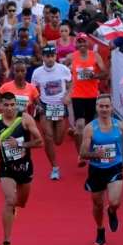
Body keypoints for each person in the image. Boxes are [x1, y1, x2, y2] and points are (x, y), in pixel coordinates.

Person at [0, 92, 44, 245]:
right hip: (6, 168)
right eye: (6, 105)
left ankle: (14, 208)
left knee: (21, 203)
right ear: (0, 106)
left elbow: (39, 142)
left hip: (25, 167)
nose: (10, 108)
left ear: (16, 105)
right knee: (10, 200)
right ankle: (6, 242)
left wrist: (20, 144)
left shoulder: (25, 119)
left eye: (12, 105)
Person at [79, 94, 123, 245]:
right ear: (97, 108)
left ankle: (112, 211)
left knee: (115, 202)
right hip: (96, 169)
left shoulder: (120, 126)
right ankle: (100, 229)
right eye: (101, 106)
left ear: (112, 108)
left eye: (107, 106)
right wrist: (94, 154)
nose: (104, 109)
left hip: (114, 167)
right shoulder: (90, 128)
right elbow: (82, 153)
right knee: (97, 205)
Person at [64, 33, 109, 167]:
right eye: (80, 42)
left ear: (88, 42)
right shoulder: (71, 57)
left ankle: (83, 143)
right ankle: (81, 155)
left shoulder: (95, 56)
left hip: (92, 95)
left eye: (84, 42)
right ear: (76, 44)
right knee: (80, 125)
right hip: (77, 95)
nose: (82, 44)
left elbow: (106, 73)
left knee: (88, 127)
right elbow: (62, 71)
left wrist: (94, 75)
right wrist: (66, 89)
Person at [31, 45, 72, 180]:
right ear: (43, 57)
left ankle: (58, 131)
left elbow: (72, 81)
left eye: (52, 56)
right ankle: (54, 167)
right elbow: (33, 89)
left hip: (60, 105)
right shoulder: (37, 72)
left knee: (58, 140)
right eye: (47, 56)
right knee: (47, 137)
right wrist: (37, 104)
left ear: (55, 56)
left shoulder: (63, 69)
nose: (50, 59)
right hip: (45, 105)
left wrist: (68, 95)